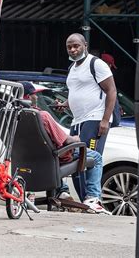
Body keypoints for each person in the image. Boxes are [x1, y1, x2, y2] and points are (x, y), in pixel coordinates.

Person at [20, 82, 109, 214]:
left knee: (50, 150)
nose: (37, 97)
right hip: (54, 158)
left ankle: (62, 191)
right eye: (34, 95)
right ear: (28, 97)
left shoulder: (12, 115)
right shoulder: (42, 116)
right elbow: (65, 140)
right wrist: (77, 139)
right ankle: (92, 198)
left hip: (28, 159)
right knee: (95, 157)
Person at [55, 33, 117, 210]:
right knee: (74, 161)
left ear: (85, 45)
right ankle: (85, 202)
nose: (73, 49)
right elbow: (80, 92)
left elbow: (111, 91)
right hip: (77, 121)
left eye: (76, 46)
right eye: (69, 47)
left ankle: (92, 198)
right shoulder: (72, 68)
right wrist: (66, 103)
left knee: (88, 158)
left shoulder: (96, 64)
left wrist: (105, 120)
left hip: (95, 119)